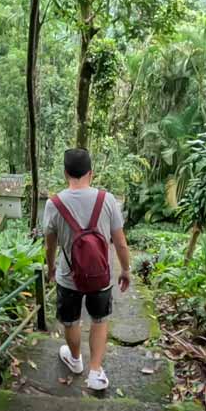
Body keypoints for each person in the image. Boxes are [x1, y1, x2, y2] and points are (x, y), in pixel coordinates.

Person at [43, 148, 131, 391]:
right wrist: (125, 269)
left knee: (71, 321)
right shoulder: (107, 200)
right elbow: (120, 242)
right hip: (100, 275)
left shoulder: (54, 204)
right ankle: (95, 371)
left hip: (68, 277)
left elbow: (50, 245)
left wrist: (51, 269)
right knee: (99, 320)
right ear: (91, 173)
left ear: (65, 173)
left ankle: (75, 360)